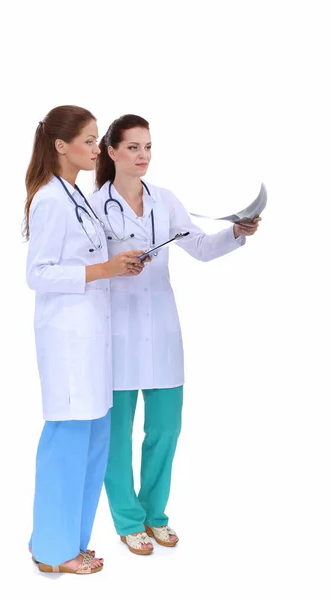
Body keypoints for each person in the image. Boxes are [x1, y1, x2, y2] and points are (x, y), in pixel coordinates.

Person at [89, 114, 261, 555]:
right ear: (110, 152)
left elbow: (200, 247)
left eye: (147, 147)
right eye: (132, 147)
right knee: (117, 436)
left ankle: (154, 515)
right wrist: (114, 267)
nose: (142, 155)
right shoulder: (92, 207)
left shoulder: (165, 200)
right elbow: (83, 270)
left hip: (162, 333)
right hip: (116, 334)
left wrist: (236, 232)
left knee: (165, 430)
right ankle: (128, 522)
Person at [24, 106, 146, 573]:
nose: (99, 150)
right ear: (61, 146)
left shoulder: (73, 195)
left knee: (94, 442)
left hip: (93, 339)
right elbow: (37, 274)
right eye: (91, 141)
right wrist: (105, 270)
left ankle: (63, 540)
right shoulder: (50, 200)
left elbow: (89, 260)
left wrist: (121, 264)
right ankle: (54, 552)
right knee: (69, 442)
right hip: (69, 341)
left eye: (98, 141)